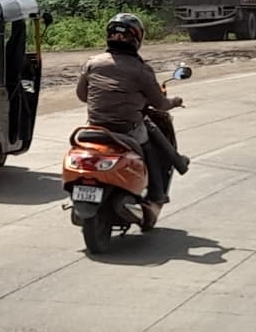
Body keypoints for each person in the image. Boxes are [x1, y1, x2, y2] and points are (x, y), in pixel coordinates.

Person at [75, 13, 189, 205]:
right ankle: (157, 193)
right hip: (126, 129)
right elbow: (160, 104)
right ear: (137, 38)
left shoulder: (92, 63)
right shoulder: (141, 70)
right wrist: (176, 101)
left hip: (95, 126)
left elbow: (82, 95)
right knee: (150, 147)